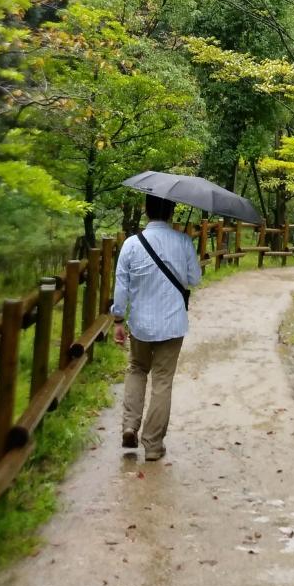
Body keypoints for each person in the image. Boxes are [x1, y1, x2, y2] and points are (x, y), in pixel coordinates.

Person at [111, 194, 202, 461]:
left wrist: (118, 320)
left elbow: (121, 286)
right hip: (173, 323)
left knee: (137, 369)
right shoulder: (183, 241)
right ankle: (152, 445)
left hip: (141, 323)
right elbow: (194, 279)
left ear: (145, 209)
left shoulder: (131, 244)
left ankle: (130, 426)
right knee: (162, 381)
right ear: (171, 211)